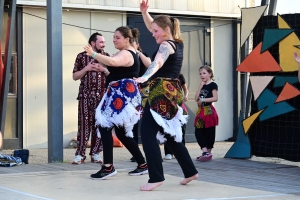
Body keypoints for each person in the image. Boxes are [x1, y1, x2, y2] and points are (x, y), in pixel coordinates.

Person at [134, 0, 198, 191]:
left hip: (161, 92)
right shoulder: (175, 42)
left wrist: (144, 76)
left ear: (165, 29)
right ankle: (190, 171)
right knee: (169, 134)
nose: (152, 34)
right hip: (172, 91)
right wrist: (145, 13)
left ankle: (156, 177)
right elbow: (153, 25)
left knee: (147, 133)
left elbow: (158, 63)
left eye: (155, 31)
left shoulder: (166, 46)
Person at [84, 26, 148, 180]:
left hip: (121, 96)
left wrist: (93, 53)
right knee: (121, 132)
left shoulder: (127, 52)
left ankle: (108, 167)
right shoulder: (125, 52)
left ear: (127, 39)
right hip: (120, 94)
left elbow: (112, 61)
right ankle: (142, 164)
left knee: (105, 126)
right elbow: (118, 72)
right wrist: (104, 70)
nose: (114, 40)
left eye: (117, 37)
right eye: (113, 37)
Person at [72, 32, 110, 164]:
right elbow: (75, 76)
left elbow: (111, 75)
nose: (103, 45)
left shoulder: (106, 57)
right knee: (84, 125)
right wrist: (86, 68)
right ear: (93, 43)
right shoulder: (81, 57)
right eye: (101, 42)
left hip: (102, 96)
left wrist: (103, 69)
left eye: (104, 42)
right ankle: (80, 154)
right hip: (85, 96)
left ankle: (96, 153)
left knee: (99, 125)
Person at [130, 27, 151, 162]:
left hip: (144, 91)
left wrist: (138, 52)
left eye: (133, 45)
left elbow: (150, 64)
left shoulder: (143, 55)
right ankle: (135, 152)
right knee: (133, 122)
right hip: (132, 92)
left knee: (146, 121)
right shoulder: (126, 56)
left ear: (137, 45)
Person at [194, 65, 219, 162]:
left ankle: (208, 152)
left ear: (210, 74)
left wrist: (204, 99)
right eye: (200, 73)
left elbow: (215, 98)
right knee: (198, 130)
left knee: (210, 131)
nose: (202, 75)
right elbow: (196, 98)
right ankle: (205, 151)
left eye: (204, 73)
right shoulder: (202, 85)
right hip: (201, 111)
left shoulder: (213, 85)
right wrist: (200, 86)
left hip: (208, 110)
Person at [164, 73, 189, 160]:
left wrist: (186, 96)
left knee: (181, 129)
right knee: (168, 129)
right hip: (167, 106)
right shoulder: (163, 76)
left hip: (179, 107)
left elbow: (185, 90)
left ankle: (182, 151)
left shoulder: (180, 76)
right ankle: (168, 152)